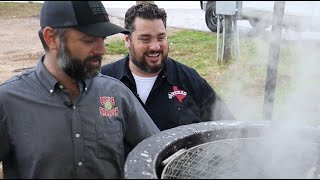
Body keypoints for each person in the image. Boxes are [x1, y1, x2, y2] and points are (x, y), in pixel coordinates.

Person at [0, 1, 160, 179]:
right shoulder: (8, 101)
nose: (101, 50)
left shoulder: (116, 94)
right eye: (89, 40)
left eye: (103, 40)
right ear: (51, 38)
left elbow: (159, 153)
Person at [101, 2, 236, 131]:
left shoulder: (190, 80)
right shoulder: (103, 81)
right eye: (145, 39)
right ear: (127, 40)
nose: (155, 46)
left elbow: (228, 128)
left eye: (161, 37)